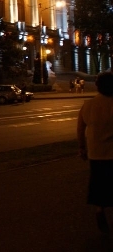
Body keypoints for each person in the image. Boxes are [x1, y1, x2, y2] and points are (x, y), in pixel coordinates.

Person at [77, 71, 113, 233]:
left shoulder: (88, 105)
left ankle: (99, 209)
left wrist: (82, 147)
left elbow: (80, 128)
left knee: (98, 182)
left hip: (95, 152)